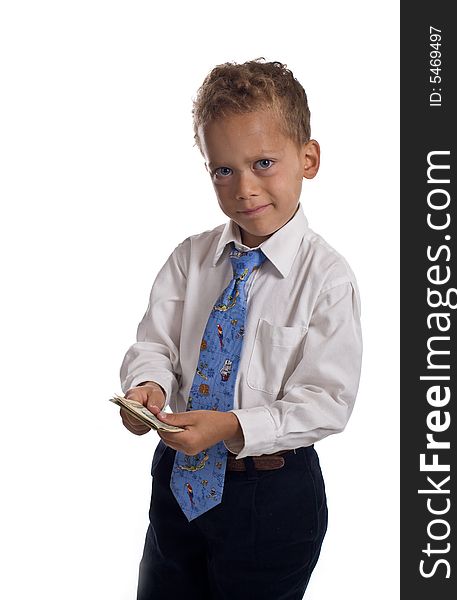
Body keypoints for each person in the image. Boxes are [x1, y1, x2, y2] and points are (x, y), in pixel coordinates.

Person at [119, 58, 362, 600]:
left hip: (269, 497)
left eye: (263, 163)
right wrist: (151, 387)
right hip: (179, 482)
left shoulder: (327, 279)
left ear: (309, 158)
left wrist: (230, 426)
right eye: (223, 170)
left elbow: (327, 400)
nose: (244, 187)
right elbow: (155, 342)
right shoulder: (191, 259)